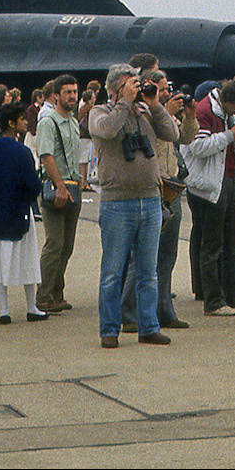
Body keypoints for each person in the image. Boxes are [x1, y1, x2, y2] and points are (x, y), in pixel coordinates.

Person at [90, 64, 184, 348]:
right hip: (118, 203)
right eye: (131, 84)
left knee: (148, 271)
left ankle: (148, 327)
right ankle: (109, 328)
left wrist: (155, 105)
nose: (137, 88)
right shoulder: (101, 113)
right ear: (115, 89)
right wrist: (124, 103)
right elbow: (106, 132)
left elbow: (172, 134)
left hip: (151, 200)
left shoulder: (145, 112)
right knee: (112, 271)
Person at [185, 72, 235, 316]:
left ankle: (234, 296)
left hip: (227, 180)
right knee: (213, 244)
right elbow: (197, 147)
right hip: (209, 186)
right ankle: (213, 300)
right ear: (232, 100)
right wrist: (230, 135)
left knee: (233, 242)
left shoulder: (226, 113)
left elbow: (225, 144)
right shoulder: (204, 111)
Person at [0, 102, 47, 325]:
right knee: (28, 261)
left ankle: (4, 309)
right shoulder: (23, 151)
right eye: (22, 118)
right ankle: (31, 307)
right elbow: (33, 185)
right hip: (19, 212)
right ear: (11, 123)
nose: (26, 122)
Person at [36, 74, 82, 314]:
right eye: (67, 92)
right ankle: (43, 295)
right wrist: (60, 186)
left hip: (73, 186)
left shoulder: (73, 122)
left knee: (67, 246)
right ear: (56, 95)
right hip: (57, 188)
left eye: (75, 91)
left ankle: (57, 292)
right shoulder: (48, 122)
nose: (72, 96)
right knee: (54, 243)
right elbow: (46, 156)